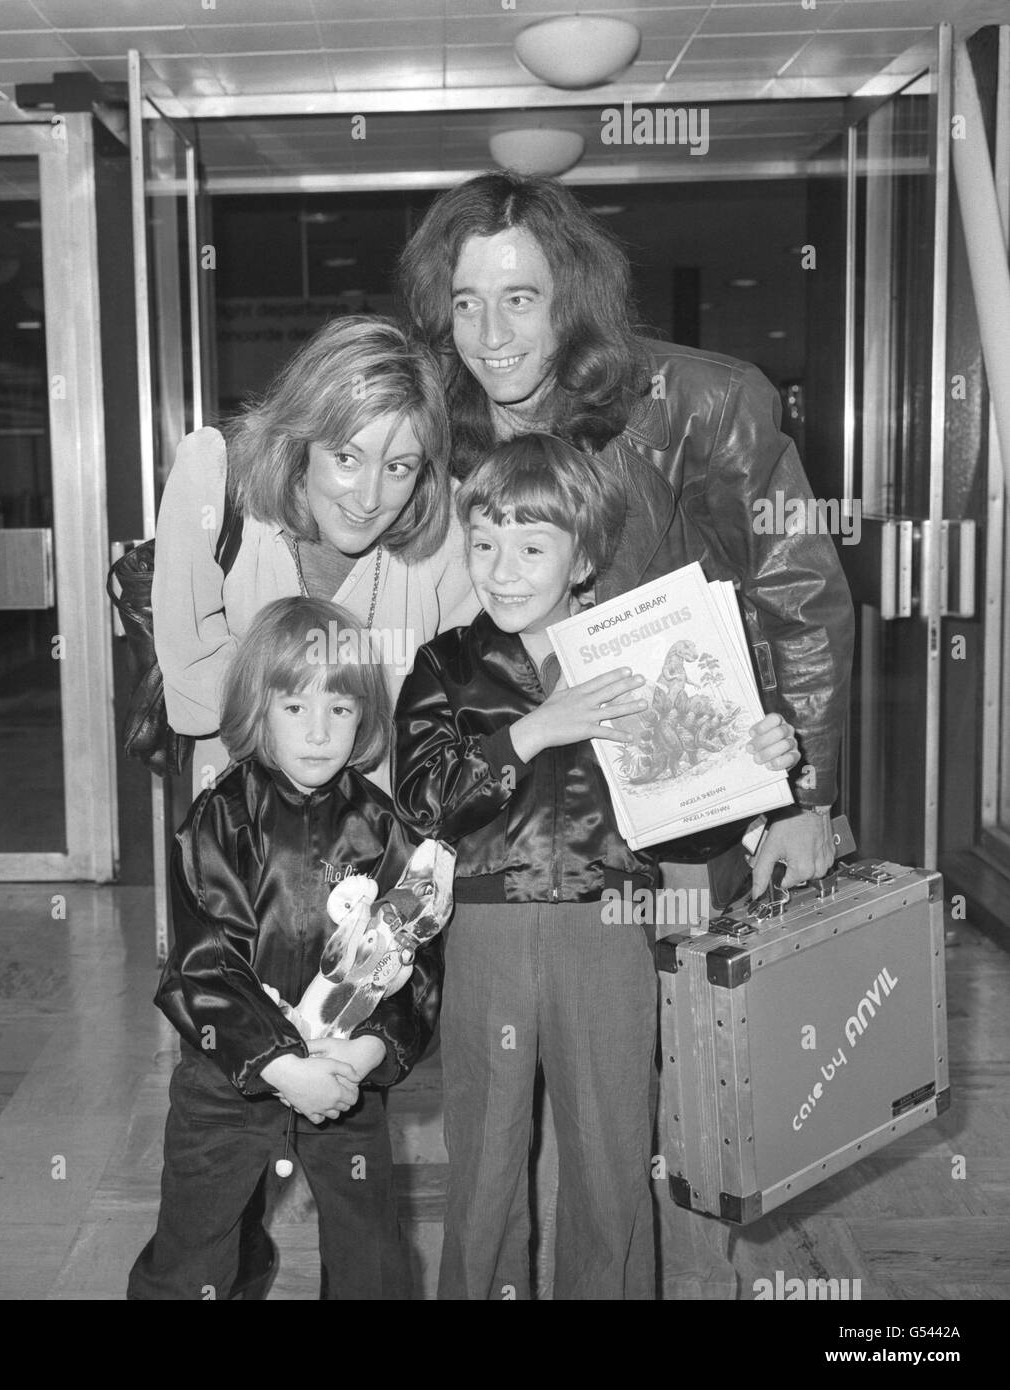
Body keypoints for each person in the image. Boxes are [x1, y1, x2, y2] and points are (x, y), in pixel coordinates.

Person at [391, 435, 801, 1300]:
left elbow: (687, 831)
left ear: (584, 559)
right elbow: (423, 802)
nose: (503, 570)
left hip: (610, 931)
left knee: (612, 1157)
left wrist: (758, 761)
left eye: (533, 547)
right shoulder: (444, 666)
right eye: (486, 544)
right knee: (484, 1163)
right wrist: (533, 729)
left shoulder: (638, 659)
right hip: (485, 933)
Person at [395, 171, 853, 897]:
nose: (491, 336)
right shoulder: (441, 431)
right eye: (467, 305)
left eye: (520, 299)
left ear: (570, 300)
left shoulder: (702, 406)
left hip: (688, 814)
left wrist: (806, 796)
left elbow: (801, 595)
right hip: (508, 845)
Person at [127, 596, 444, 1300]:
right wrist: (279, 1064)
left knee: (371, 1252)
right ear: (257, 710)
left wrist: (365, 1055)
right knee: (197, 1244)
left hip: (344, 1078)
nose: (319, 732)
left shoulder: (386, 830)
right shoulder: (219, 819)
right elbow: (202, 967)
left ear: (365, 717)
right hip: (228, 1078)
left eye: (340, 709)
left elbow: (416, 969)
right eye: (295, 708)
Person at [153, 315, 480, 798]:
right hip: (245, 813)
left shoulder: (453, 524)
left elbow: (462, 695)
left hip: (388, 820)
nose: (368, 499)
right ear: (301, 438)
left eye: (397, 468)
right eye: (346, 458)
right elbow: (192, 678)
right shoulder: (215, 480)